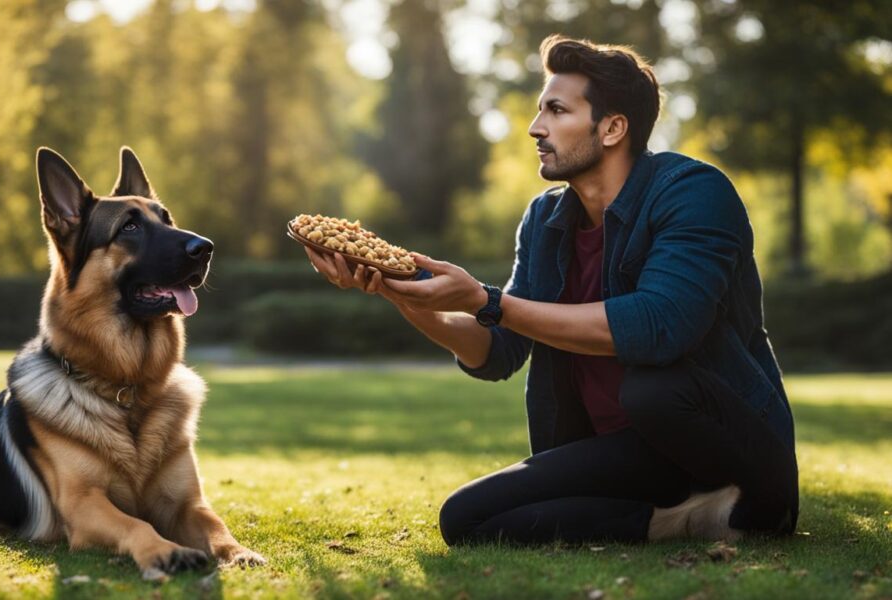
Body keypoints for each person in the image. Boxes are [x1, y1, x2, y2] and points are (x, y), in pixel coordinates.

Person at [304, 34, 798, 546]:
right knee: (466, 519)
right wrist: (400, 291)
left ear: (612, 128)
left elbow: (658, 326)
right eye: (541, 110)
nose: (535, 128)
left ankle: (758, 506)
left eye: (556, 111)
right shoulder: (546, 219)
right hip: (625, 451)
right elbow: (496, 351)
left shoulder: (693, 192)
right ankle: (686, 518)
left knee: (654, 389)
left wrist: (487, 300)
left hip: (730, 445)